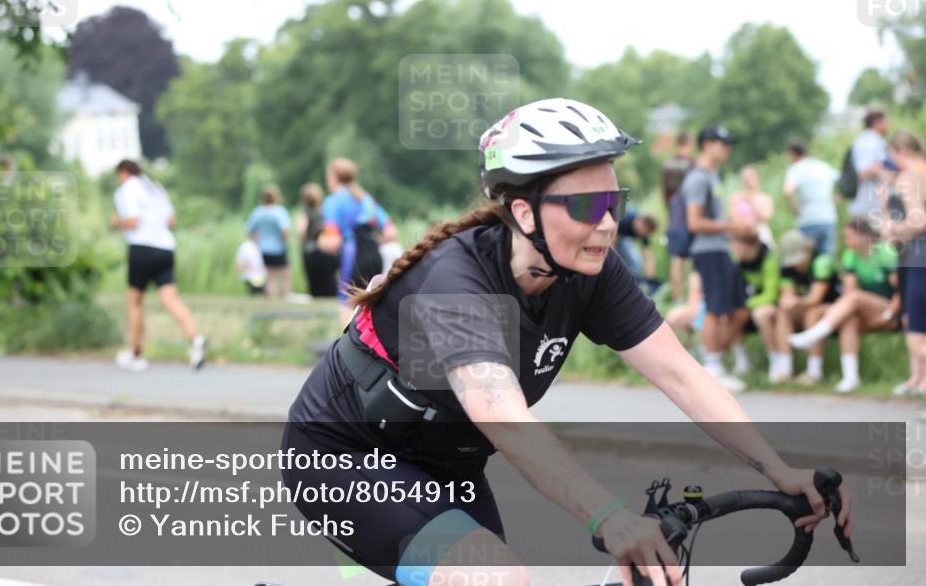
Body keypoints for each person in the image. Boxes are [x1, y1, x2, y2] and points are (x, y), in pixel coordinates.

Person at [281, 99, 852, 586]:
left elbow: (681, 374)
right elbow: (505, 420)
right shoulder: (455, 283)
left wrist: (780, 471)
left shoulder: (589, 270)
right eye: (585, 206)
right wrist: (610, 517)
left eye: (613, 202)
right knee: (495, 577)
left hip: (449, 467)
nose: (606, 224)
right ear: (524, 212)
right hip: (346, 457)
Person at [110, 159, 207, 371]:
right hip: (165, 248)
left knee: (135, 302)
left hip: (142, 248)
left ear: (124, 172)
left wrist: (117, 222)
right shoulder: (155, 187)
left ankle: (135, 353)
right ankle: (195, 339)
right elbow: (171, 220)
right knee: (170, 300)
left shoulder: (127, 189)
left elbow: (133, 221)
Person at [789, 217, 901, 392]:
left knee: (856, 297)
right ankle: (850, 377)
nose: (846, 241)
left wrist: (889, 315)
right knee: (848, 319)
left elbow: (901, 291)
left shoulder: (885, 252)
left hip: (889, 309)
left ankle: (814, 335)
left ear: (865, 236)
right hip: (863, 307)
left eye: (850, 237)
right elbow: (848, 291)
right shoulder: (850, 255)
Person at [683, 126, 754, 391]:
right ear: (707, 144)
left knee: (739, 310)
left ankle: (713, 360)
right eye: (722, 143)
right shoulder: (698, 178)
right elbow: (694, 222)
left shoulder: (713, 176)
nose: (727, 149)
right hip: (708, 250)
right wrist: (731, 225)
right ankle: (712, 367)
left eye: (728, 144)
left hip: (722, 249)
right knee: (714, 308)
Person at [880, 130, 926, 396]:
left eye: (892, 155)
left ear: (902, 151)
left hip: (920, 259)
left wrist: (893, 228)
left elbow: (918, 221)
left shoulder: (909, 176)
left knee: (917, 336)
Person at [318, 157, 392, 323]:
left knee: (347, 307)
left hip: (352, 257)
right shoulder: (366, 199)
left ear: (333, 177)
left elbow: (333, 242)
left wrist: (320, 241)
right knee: (371, 310)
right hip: (374, 255)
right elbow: (390, 232)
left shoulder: (333, 201)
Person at [775, 230, 840, 386]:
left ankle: (814, 372)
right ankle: (785, 370)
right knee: (783, 313)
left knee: (812, 314)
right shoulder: (786, 267)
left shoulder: (822, 261)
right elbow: (787, 295)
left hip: (829, 307)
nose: (796, 264)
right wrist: (788, 302)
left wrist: (794, 301)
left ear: (807, 249)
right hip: (804, 306)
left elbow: (815, 299)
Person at [731, 230, 781, 381]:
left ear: (749, 246)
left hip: (770, 306)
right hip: (747, 306)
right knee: (731, 312)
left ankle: (775, 361)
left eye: (737, 246)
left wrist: (746, 304)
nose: (735, 250)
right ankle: (741, 361)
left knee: (761, 314)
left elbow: (771, 294)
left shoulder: (769, 258)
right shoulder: (736, 262)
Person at [783, 138, 840, 256]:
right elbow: (844, 182)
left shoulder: (796, 168)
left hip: (807, 219)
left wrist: (794, 209)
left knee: (805, 258)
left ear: (793, 153)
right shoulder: (822, 166)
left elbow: (788, 191)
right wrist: (837, 199)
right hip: (827, 217)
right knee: (826, 259)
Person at [661, 132, 696, 300]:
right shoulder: (693, 164)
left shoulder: (667, 165)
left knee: (676, 259)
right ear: (689, 143)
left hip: (674, 214)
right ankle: (692, 297)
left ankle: (677, 298)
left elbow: (664, 192)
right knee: (693, 260)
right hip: (691, 213)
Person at [246, 185, 292, 299]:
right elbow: (285, 230)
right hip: (279, 248)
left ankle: (272, 298)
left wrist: (258, 242)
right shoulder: (279, 211)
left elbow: (250, 231)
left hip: (264, 249)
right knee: (285, 274)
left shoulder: (258, 212)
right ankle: (285, 296)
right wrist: (285, 242)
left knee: (270, 276)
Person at [297, 182, 340, 298]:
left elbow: (301, 230)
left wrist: (302, 245)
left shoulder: (305, 212)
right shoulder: (325, 211)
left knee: (314, 282)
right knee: (328, 279)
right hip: (327, 250)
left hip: (310, 250)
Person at [849, 109, 890, 217]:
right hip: (869, 205)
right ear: (877, 122)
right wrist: (888, 166)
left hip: (873, 204)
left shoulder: (874, 140)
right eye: (886, 121)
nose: (889, 125)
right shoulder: (868, 142)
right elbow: (863, 173)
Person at [730, 165, 776, 250]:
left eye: (751, 179)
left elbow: (765, 217)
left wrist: (751, 201)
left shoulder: (765, 198)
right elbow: (733, 218)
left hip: (760, 232)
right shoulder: (736, 198)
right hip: (742, 234)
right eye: (746, 180)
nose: (749, 183)